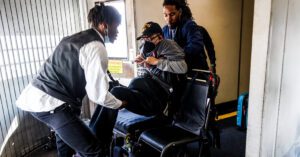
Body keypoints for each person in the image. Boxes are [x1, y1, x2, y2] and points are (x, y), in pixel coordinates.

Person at [16, 4, 127, 157]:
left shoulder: (75, 38)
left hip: (35, 96)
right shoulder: (97, 47)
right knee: (95, 150)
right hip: (50, 103)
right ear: (105, 26)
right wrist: (120, 104)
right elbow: (97, 95)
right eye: (117, 26)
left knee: (65, 145)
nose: (118, 32)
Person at [89, 21, 187, 145]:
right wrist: (145, 65)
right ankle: (92, 134)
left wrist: (157, 62)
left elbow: (183, 67)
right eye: (145, 38)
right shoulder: (144, 47)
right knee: (109, 90)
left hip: (156, 98)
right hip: (143, 93)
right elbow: (150, 71)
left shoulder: (168, 45)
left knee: (116, 92)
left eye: (150, 38)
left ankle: (97, 141)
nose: (147, 41)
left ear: (160, 36)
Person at [162, 0, 216, 73]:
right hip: (178, 73)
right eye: (165, 15)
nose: (168, 20)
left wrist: (212, 64)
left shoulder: (190, 26)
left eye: (172, 14)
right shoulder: (164, 30)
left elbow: (197, 46)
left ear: (180, 12)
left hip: (196, 73)